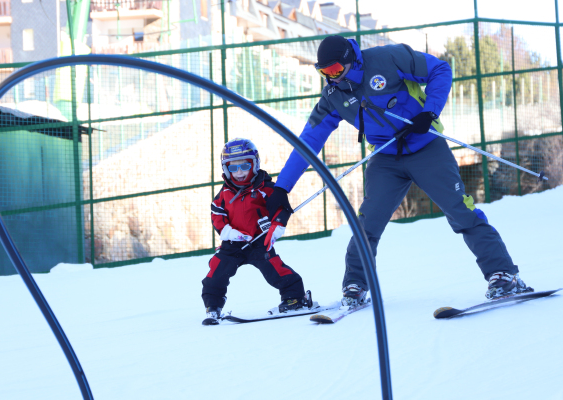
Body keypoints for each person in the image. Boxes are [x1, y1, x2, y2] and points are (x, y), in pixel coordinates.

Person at [265, 35, 532, 307]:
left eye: (334, 70)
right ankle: (356, 284)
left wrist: (429, 112)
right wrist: (282, 188)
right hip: (386, 156)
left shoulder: (388, 58)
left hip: (426, 146)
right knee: (367, 223)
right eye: (324, 72)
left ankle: (504, 274)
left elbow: (440, 69)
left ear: (350, 60)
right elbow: (308, 140)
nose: (331, 78)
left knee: (460, 210)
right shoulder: (334, 96)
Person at [202, 138, 309, 322]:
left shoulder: (266, 189)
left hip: (260, 241)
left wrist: (276, 227)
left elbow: (281, 209)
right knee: (217, 271)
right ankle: (213, 304)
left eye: (245, 166)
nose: (240, 172)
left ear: (255, 164)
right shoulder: (225, 193)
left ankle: (294, 297)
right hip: (233, 244)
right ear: (226, 169)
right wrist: (228, 232)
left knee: (275, 269)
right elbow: (216, 214)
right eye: (233, 168)